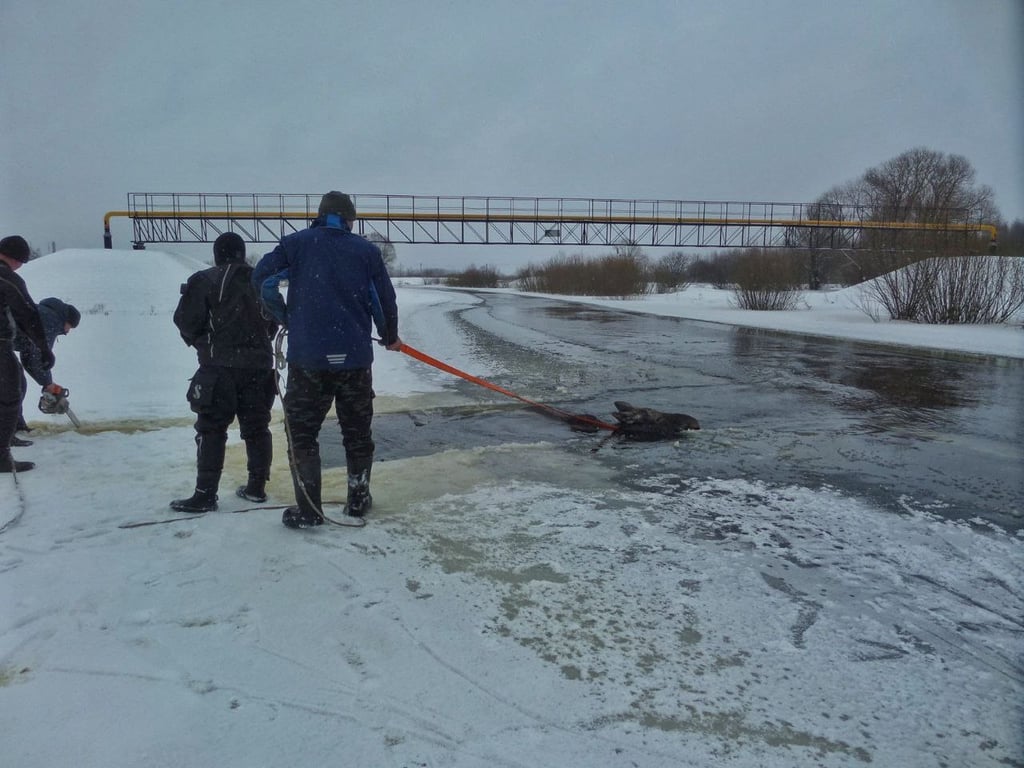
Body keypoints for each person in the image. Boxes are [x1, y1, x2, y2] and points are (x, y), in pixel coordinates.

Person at [252, 191, 401, 529]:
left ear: (320, 216)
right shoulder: (366, 252)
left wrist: (285, 316)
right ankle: (358, 501)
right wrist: (388, 334)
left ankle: (309, 511)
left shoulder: (296, 244)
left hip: (309, 361)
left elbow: (263, 280)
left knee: (303, 434)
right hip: (355, 361)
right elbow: (383, 300)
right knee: (357, 432)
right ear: (350, 220)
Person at [169, 232, 278, 512]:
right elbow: (274, 321)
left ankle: (205, 494)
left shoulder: (204, 280)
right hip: (259, 369)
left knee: (211, 430)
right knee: (256, 428)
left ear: (218, 253)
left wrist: (202, 343)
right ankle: (256, 487)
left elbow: (185, 321)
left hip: (219, 370)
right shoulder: (262, 281)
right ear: (242, 253)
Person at [0, 236, 54, 473]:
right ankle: (1, 455)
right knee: (12, 392)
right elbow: (27, 313)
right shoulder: (6, 277)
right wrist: (43, 348)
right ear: (15, 258)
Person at [12, 297, 80, 445]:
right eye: (70, 327)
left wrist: (47, 383)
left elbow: (29, 355)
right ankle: (8, 432)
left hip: (4, 343)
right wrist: (49, 384)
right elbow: (39, 356)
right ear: (67, 321)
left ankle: (16, 427)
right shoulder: (51, 321)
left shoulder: (45, 314)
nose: (68, 331)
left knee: (16, 382)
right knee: (12, 385)